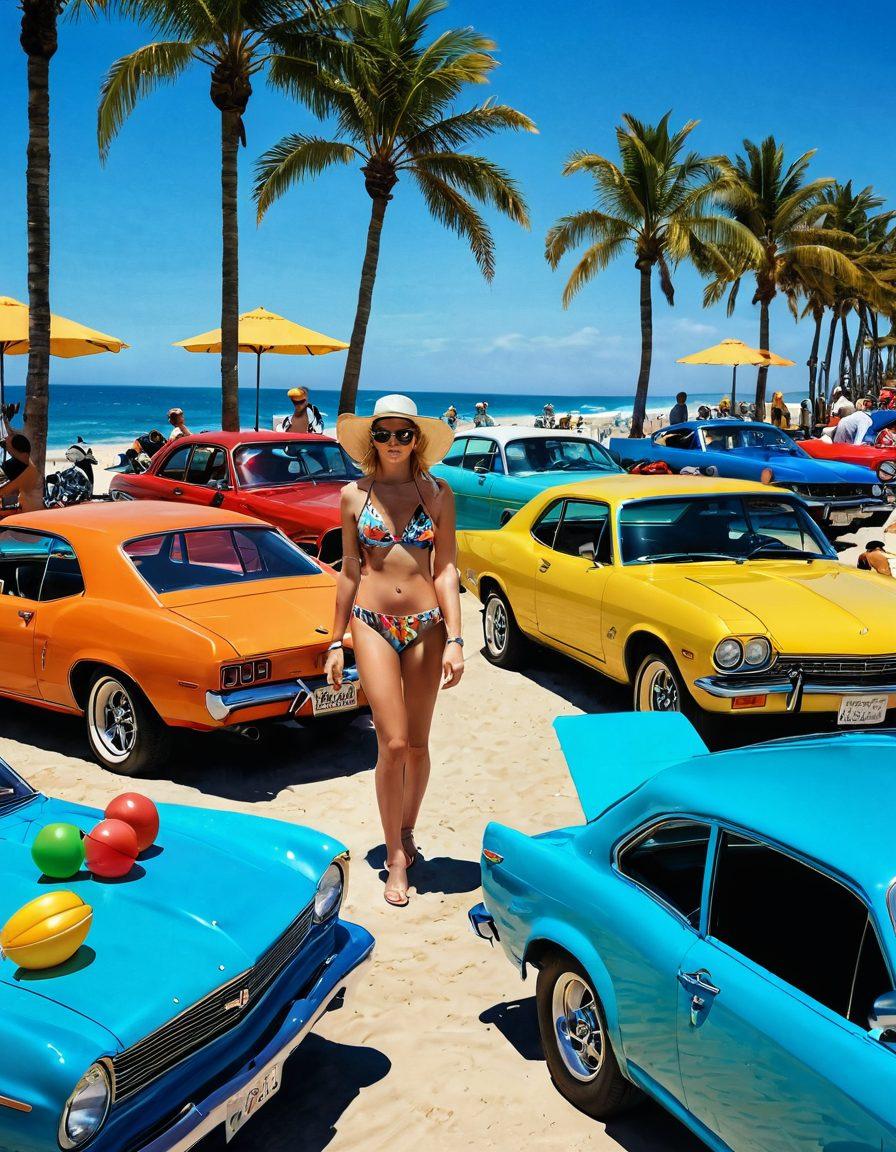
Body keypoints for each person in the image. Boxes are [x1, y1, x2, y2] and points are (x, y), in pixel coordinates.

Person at [327, 395, 463, 908]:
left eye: (403, 434)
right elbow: (349, 570)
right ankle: (395, 855)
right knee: (394, 743)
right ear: (371, 441)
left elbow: (446, 569)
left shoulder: (438, 494)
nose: (393, 443)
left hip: (427, 625)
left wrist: (455, 637)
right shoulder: (352, 496)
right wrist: (334, 641)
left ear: (417, 440)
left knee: (421, 743)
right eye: (383, 434)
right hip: (370, 623)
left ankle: (407, 829)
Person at [0, 432, 44, 513]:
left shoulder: (11, 467)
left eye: (6, 443)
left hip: (17, 513)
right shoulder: (29, 464)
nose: (4, 441)